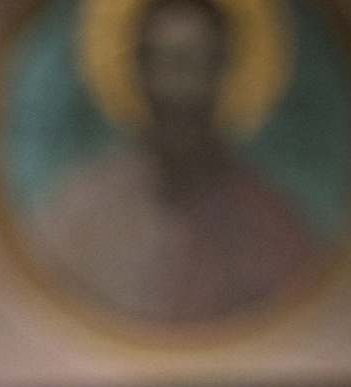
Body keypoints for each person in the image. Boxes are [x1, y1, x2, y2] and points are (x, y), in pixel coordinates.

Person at [30, 0, 327, 333]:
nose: (181, 85)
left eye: (199, 62)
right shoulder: (83, 212)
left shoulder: (269, 220)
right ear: (140, 70)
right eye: (168, 62)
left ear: (224, 69)